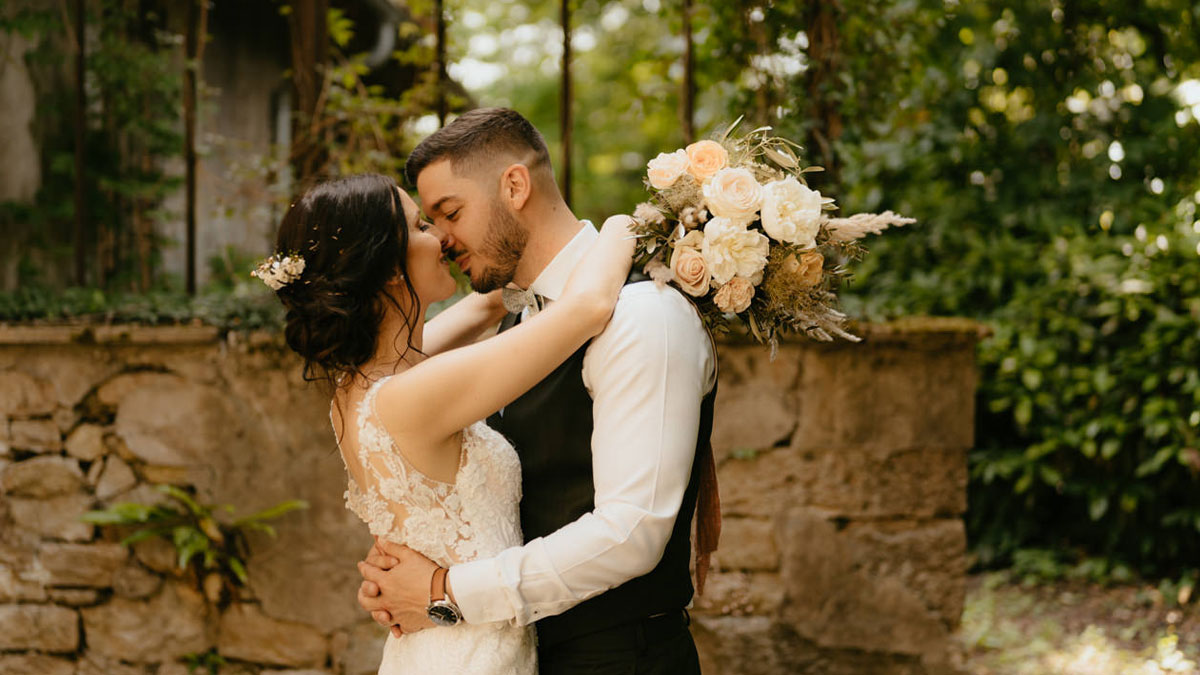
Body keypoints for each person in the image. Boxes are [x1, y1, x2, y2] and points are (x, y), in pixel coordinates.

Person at [355, 107, 719, 675]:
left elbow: (632, 532)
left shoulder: (644, 317)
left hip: (616, 659)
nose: (442, 241)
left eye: (449, 213)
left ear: (515, 186)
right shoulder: (520, 319)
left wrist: (444, 591)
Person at [264, 172, 639, 673]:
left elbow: (488, 301)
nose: (441, 237)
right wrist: (629, 224)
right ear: (389, 267)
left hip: (433, 647)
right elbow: (587, 309)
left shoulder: (364, 384)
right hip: (473, 654)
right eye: (422, 226)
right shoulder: (414, 395)